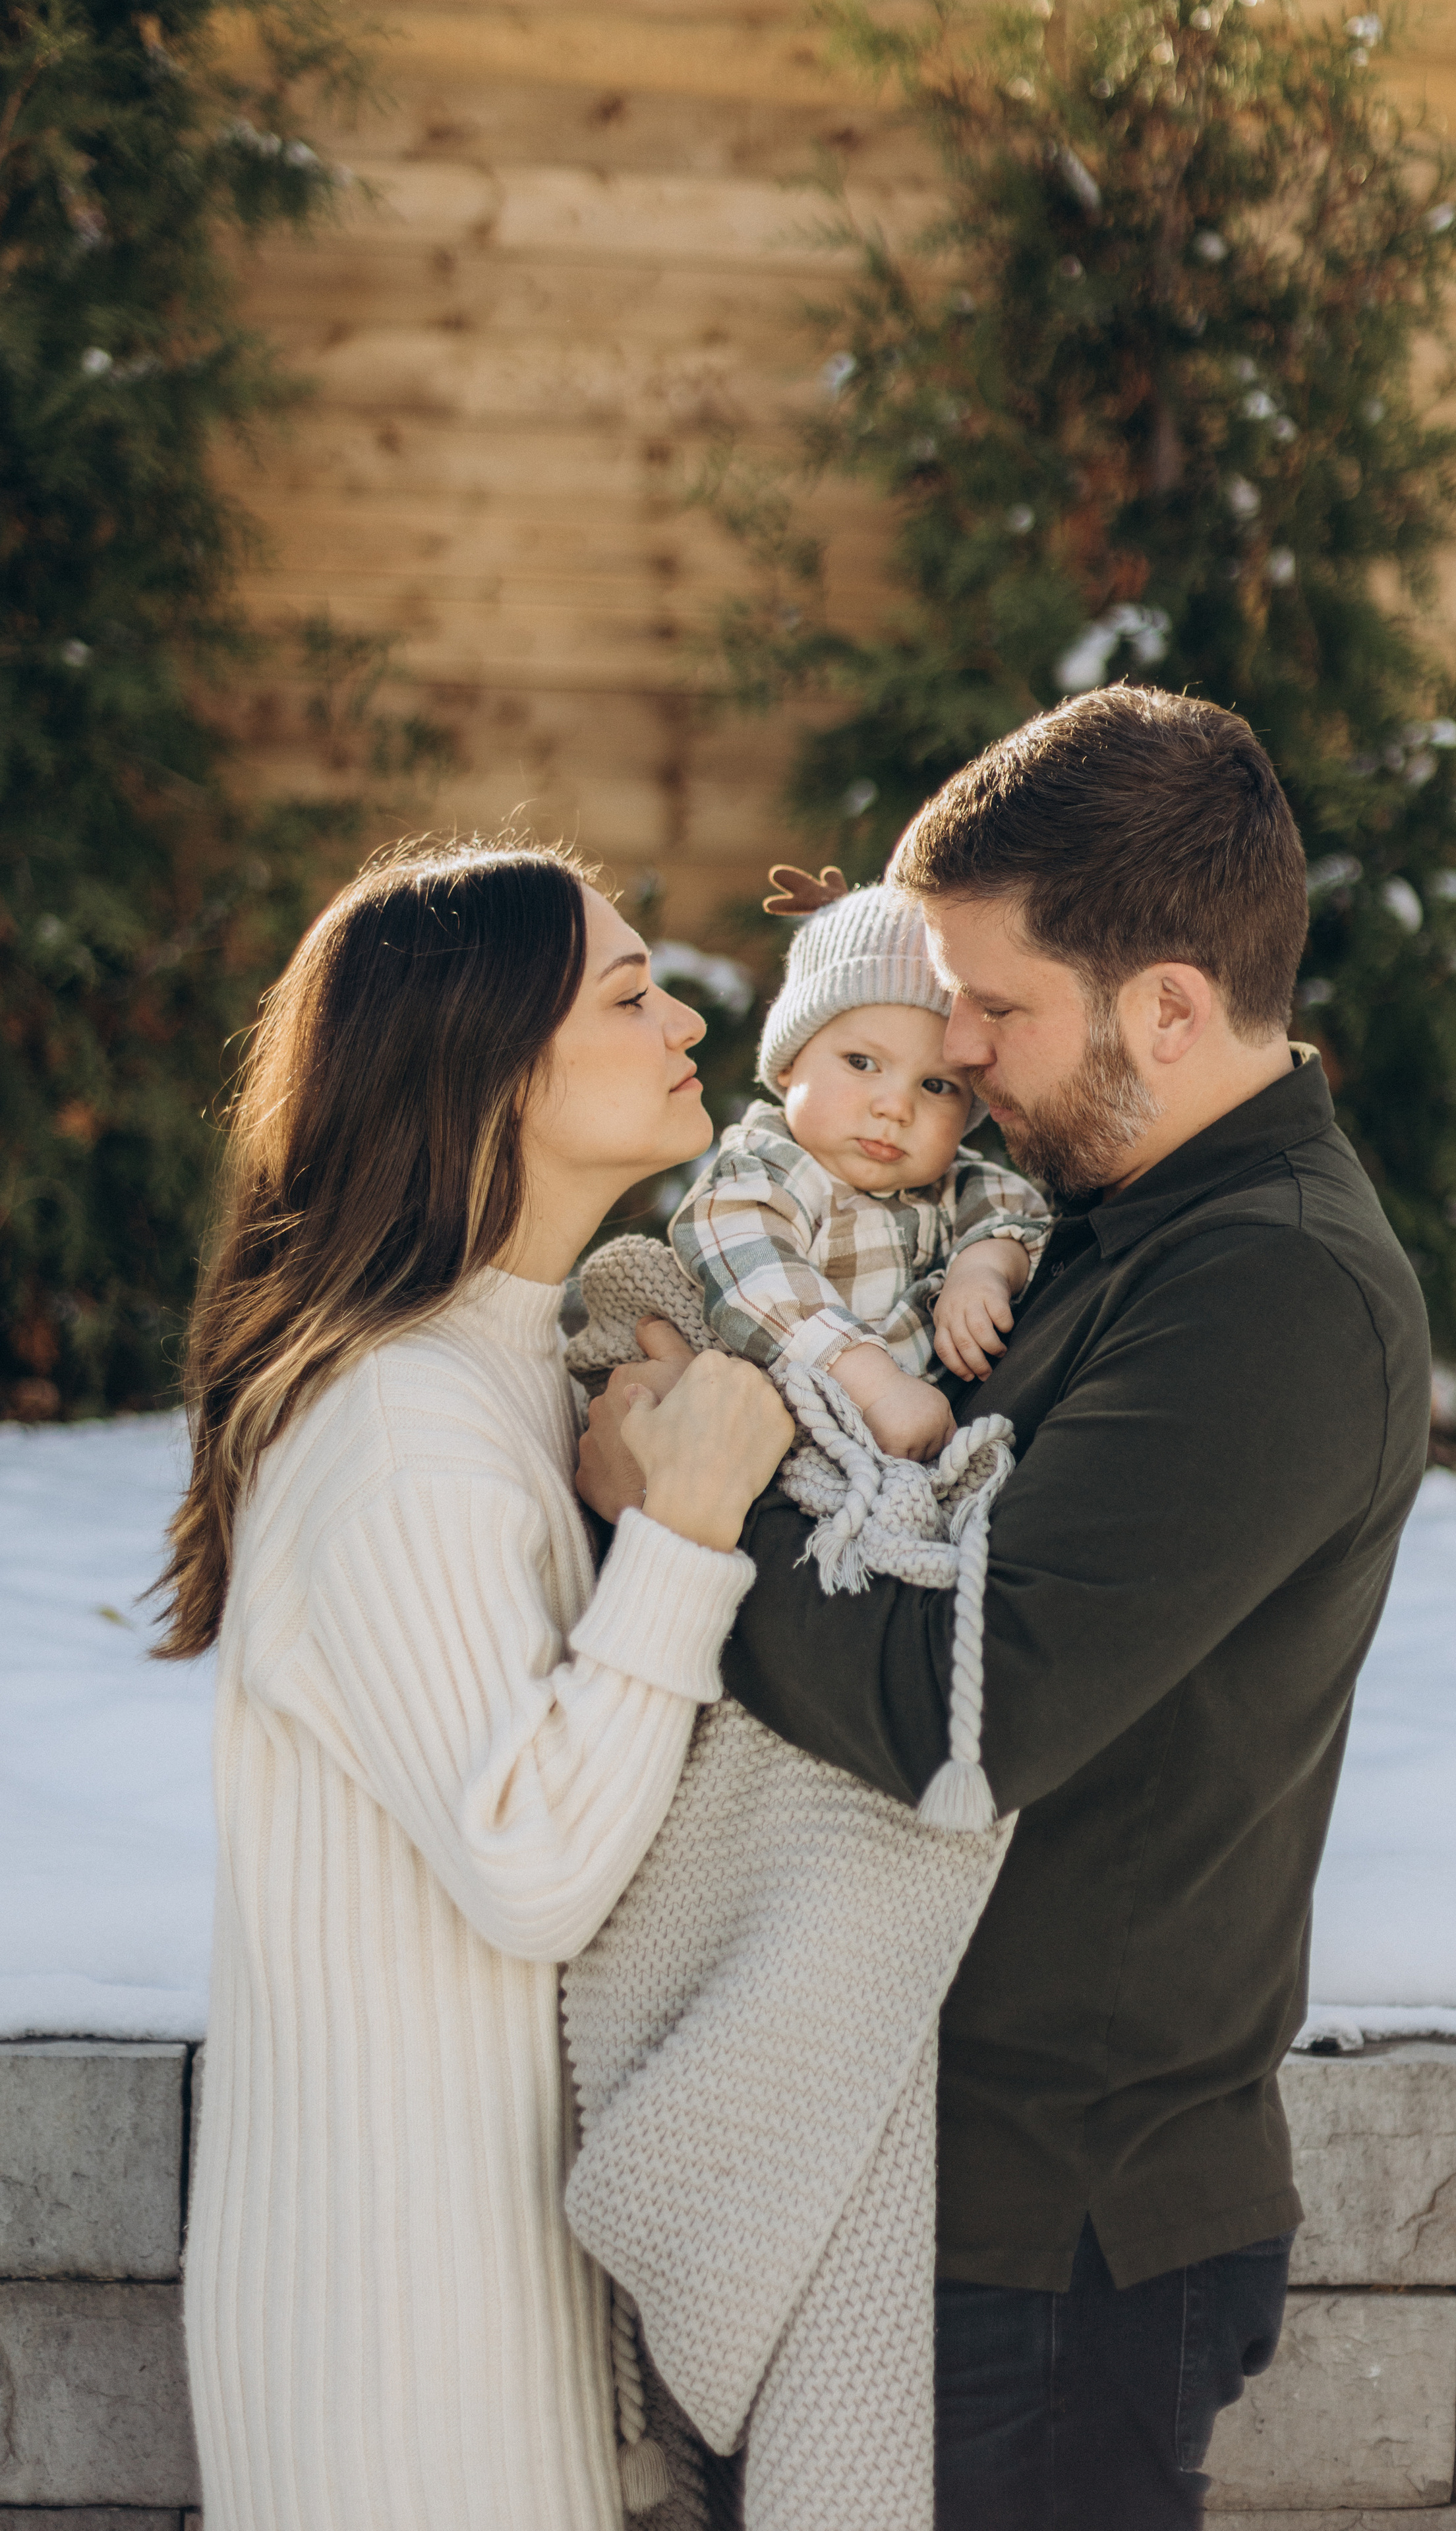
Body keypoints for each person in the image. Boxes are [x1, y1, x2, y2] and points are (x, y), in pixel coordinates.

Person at [578, 685, 1434, 2530]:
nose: (947, 1049)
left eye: (993, 1007)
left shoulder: (1273, 1297)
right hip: (920, 2188)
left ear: (1173, 1008)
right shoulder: (1082, 1206)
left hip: (1053, 2240)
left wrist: (685, 1519)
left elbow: (965, 1725)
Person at [154, 839, 793, 2531]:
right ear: (493, 1066)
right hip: (400, 2353)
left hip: (479, 2293)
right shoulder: (401, 1428)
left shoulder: (495, 1365)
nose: (683, 1019)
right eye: (628, 993)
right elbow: (529, 1861)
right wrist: (688, 1525)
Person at [668, 865, 1048, 1463]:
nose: (895, 1107)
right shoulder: (768, 1171)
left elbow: (1018, 1213)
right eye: (862, 1062)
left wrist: (984, 1269)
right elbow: (753, 1271)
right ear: (791, 1064)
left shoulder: (953, 1186)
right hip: (771, 1438)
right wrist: (877, 1386)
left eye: (937, 1086)